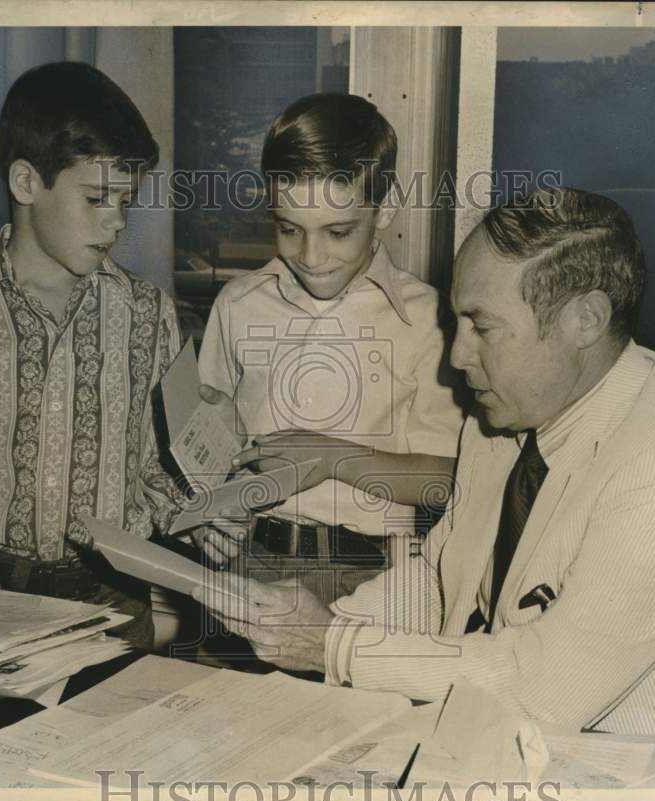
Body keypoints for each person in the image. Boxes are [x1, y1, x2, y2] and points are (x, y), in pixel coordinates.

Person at [195, 187, 655, 760]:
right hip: (533, 745)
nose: (458, 356)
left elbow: (544, 690)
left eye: (483, 327)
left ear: (584, 320)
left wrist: (332, 644)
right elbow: (438, 578)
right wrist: (317, 618)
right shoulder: (504, 418)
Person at [0, 62, 184, 647]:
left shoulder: (148, 313)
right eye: (96, 199)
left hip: (117, 595)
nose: (116, 223)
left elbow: (163, 464)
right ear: (27, 183)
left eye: (126, 201)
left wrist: (197, 510)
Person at [194, 93, 464, 604]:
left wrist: (334, 459)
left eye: (339, 232)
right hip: (250, 563)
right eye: (289, 229)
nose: (311, 257)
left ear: (384, 211)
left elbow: (447, 479)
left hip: (376, 577)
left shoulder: (432, 321)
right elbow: (209, 449)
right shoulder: (237, 305)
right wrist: (209, 510)